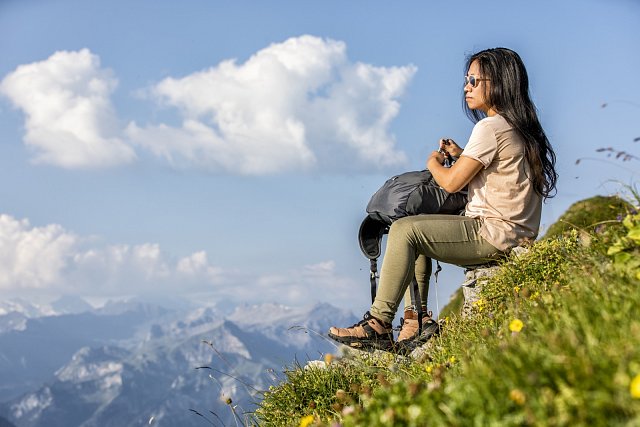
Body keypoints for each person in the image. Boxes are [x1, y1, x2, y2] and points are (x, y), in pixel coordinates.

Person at [328, 47, 558, 351]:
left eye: (475, 80)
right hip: (515, 233)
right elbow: (498, 173)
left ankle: (378, 323)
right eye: (466, 80)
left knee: (404, 230)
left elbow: (450, 183)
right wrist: (462, 155)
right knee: (415, 223)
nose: (467, 86)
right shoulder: (518, 128)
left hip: (494, 234)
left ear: (499, 82)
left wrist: (433, 162)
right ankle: (414, 320)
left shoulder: (489, 127)